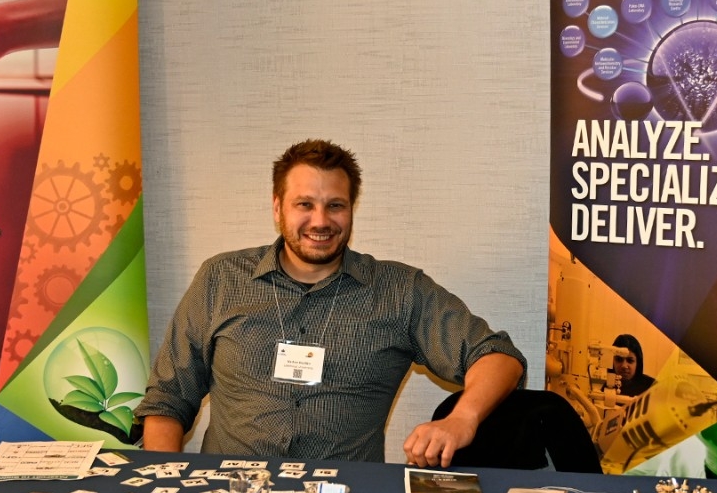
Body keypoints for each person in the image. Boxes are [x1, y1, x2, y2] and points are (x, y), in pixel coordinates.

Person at [136, 140, 525, 466]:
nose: (321, 221)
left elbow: (498, 356)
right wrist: (166, 480)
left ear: (352, 209)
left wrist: (462, 419)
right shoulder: (221, 278)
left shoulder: (400, 290)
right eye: (304, 204)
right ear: (277, 207)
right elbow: (168, 399)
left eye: (335, 205)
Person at [609, 333, 654, 398]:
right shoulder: (604, 386)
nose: (624, 366)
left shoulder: (652, 388)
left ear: (638, 363)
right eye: (619, 359)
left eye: (630, 360)